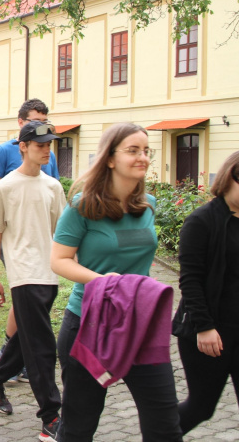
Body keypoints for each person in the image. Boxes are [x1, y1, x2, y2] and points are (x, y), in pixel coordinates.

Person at [50, 122, 182, 441]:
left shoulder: (146, 205)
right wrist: (101, 281)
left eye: (146, 151)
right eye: (133, 150)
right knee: (79, 427)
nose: (143, 157)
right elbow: (59, 260)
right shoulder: (82, 206)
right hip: (90, 323)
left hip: (141, 323)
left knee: (165, 423)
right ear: (110, 158)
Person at [0, 121, 65, 442]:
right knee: (43, 346)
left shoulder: (53, 187)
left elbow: (61, 232)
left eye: (49, 145)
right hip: (23, 275)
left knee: (25, 339)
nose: (46, 149)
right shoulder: (5, 188)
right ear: (23, 147)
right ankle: (50, 417)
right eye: (40, 144)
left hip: (48, 274)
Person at [172, 150, 239, 439]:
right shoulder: (201, 221)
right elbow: (190, 280)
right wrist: (204, 327)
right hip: (209, 335)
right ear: (229, 178)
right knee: (202, 407)